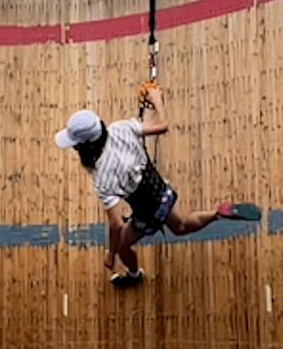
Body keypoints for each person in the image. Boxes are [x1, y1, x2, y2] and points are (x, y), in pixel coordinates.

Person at [55, 86, 260, 289]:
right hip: (163, 193)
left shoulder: (102, 175)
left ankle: (134, 275)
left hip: (146, 213)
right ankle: (217, 213)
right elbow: (161, 125)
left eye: (76, 144)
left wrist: (110, 253)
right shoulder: (121, 128)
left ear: (87, 145)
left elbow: (117, 225)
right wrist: (157, 100)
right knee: (181, 225)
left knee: (124, 247)